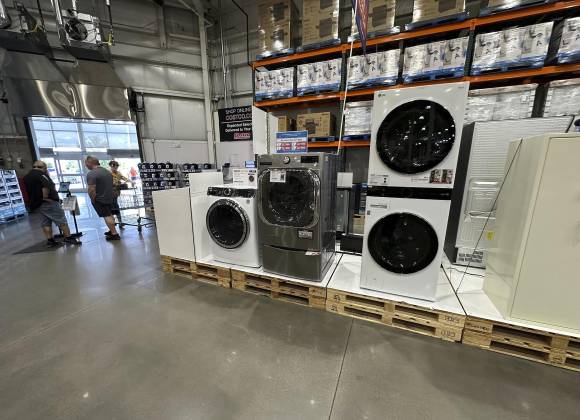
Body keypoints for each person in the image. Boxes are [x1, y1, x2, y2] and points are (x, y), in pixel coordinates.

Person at [23, 161, 82, 246]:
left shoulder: (27, 176)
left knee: (45, 222)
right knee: (61, 219)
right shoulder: (42, 175)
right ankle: (68, 238)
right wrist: (46, 198)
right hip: (48, 203)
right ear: (44, 168)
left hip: (37, 204)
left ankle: (50, 240)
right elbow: (45, 187)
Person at [85, 156, 120, 241]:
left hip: (100, 199)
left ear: (90, 163)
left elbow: (91, 189)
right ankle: (112, 230)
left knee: (106, 216)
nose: (86, 165)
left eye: (86, 163)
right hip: (110, 197)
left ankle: (114, 234)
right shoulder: (107, 172)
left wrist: (92, 199)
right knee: (110, 214)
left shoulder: (92, 173)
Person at [108, 160, 131, 228]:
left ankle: (117, 222)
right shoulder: (108, 173)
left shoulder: (118, 173)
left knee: (114, 207)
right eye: (114, 167)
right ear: (111, 166)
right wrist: (115, 183)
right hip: (110, 192)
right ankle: (116, 222)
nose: (115, 168)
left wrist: (130, 181)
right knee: (114, 207)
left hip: (116, 192)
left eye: (116, 167)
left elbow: (123, 178)